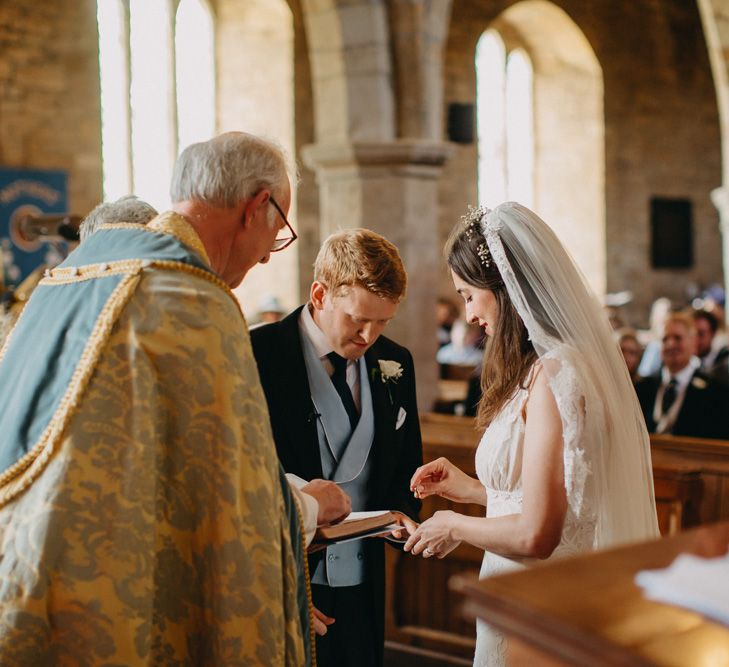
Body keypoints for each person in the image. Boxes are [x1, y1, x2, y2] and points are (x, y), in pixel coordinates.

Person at [0, 132, 350, 665]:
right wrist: (308, 504)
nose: (262, 260)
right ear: (258, 207)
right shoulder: (190, 299)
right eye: (277, 235)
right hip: (106, 606)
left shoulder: (65, 279)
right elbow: (237, 504)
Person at [403, 202, 659, 667]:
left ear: (503, 287)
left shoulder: (555, 375)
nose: (468, 313)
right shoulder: (558, 366)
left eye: (467, 294)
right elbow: (550, 501)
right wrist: (470, 491)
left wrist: (452, 524)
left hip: (538, 598)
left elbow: (539, 534)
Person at [250, 228, 423, 667]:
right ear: (320, 293)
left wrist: (403, 515)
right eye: (357, 318)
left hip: (366, 584)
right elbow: (240, 482)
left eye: (383, 321)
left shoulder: (395, 361)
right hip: (289, 580)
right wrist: (276, 584)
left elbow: (405, 461)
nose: (369, 336)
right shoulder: (256, 354)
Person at [635, 312, 729, 439]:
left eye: (677, 338)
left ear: (694, 343)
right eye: (665, 339)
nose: (670, 344)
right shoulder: (643, 387)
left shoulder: (715, 391)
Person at [693, 309, 729, 385]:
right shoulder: (692, 362)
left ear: (713, 335)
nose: (695, 340)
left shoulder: (725, 364)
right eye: (692, 334)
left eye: (701, 334)